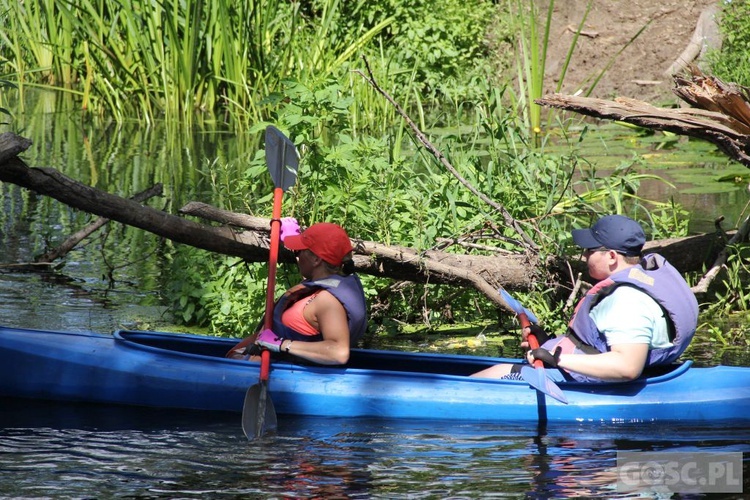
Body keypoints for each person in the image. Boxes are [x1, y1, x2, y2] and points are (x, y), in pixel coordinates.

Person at [471, 215, 699, 382]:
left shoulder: (626, 302)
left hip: (583, 384)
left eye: (590, 250)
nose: (584, 255)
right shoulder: (628, 287)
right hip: (574, 369)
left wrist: (557, 359)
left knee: (500, 373)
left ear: (611, 256)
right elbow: (600, 344)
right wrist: (548, 343)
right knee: (497, 370)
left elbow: (627, 367)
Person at [229, 221, 367, 365]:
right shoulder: (320, 279)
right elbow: (310, 269)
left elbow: (338, 353)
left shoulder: (327, 301)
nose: (297, 256)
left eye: (299, 251)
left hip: (281, 372)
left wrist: (281, 344)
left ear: (316, 260)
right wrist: (289, 236)